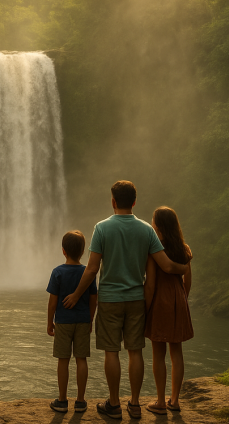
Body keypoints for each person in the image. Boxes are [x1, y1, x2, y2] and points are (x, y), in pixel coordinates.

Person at [63, 180, 189, 420]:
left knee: (111, 352)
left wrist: (76, 295)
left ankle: (113, 403)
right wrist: (184, 267)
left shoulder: (101, 228)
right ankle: (134, 403)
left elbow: (91, 269)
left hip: (110, 299)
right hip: (136, 299)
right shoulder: (146, 230)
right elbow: (166, 265)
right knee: (135, 352)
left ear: (113, 201)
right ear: (134, 202)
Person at [143, 207, 194, 415]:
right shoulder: (184, 248)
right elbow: (187, 281)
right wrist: (182, 298)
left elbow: (151, 283)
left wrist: (146, 310)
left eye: (153, 222)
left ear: (158, 225)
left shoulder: (155, 249)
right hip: (178, 299)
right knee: (177, 352)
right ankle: (174, 401)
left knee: (158, 353)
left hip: (160, 300)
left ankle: (160, 402)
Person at [46, 230, 98, 414]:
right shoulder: (87, 272)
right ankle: (81, 401)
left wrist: (49, 322)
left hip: (63, 321)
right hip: (83, 321)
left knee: (63, 360)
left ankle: (61, 401)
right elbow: (94, 298)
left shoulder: (57, 272)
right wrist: (90, 318)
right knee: (81, 359)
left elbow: (52, 301)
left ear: (63, 251)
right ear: (83, 252)